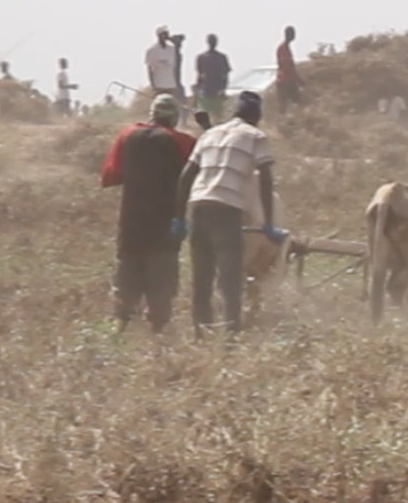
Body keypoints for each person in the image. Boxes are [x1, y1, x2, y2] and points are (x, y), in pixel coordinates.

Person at [178, 91, 279, 334]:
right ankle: (231, 338)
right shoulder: (256, 136)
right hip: (227, 210)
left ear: (234, 112)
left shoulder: (210, 134)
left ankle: (200, 332)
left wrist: (178, 217)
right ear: (257, 117)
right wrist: (268, 222)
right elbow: (265, 179)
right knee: (230, 278)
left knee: (202, 278)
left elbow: (185, 177)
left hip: (199, 206)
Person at [100, 94, 196, 332]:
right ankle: (158, 329)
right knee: (162, 275)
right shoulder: (184, 142)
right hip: (166, 222)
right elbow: (195, 177)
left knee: (127, 270)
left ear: (151, 113)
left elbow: (111, 176)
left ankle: (120, 325)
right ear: (174, 118)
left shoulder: (127, 135)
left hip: (131, 220)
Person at [188, 33, 230, 124]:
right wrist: (196, 92)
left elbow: (225, 76)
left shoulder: (222, 57)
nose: (212, 43)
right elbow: (199, 75)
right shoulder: (202, 57)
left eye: (213, 41)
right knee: (206, 116)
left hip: (216, 91)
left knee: (218, 118)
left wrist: (223, 89)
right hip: (205, 90)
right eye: (211, 41)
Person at [145, 26, 180, 99]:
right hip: (159, 85)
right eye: (164, 34)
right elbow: (150, 69)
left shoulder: (172, 49)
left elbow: (174, 68)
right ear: (159, 36)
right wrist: (153, 86)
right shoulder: (152, 50)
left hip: (171, 85)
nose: (166, 36)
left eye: (167, 34)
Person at [274, 26, 302, 114]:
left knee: (296, 103)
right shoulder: (283, 48)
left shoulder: (286, 47)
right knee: (284, 105)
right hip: (285, 81)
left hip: (288, 80)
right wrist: (297, 78)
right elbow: (287, 66)